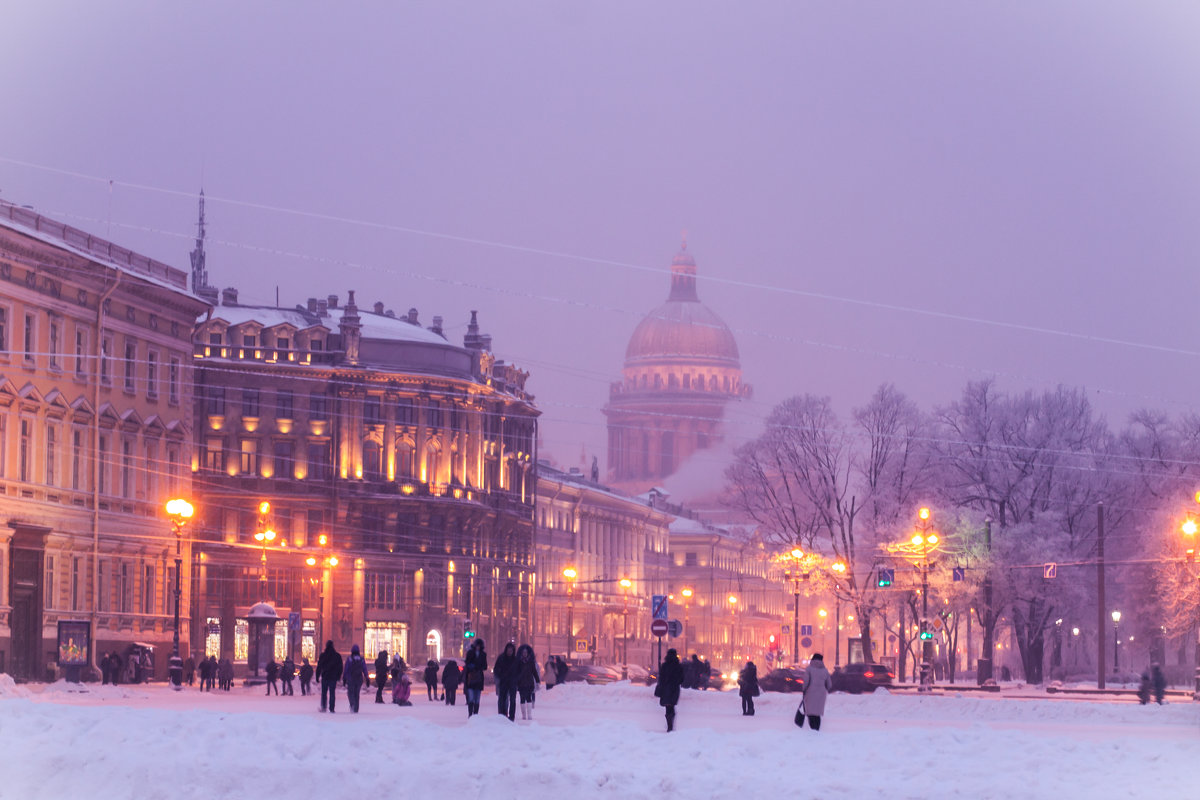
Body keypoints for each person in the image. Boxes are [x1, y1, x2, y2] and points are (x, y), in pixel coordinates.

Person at [801, 653, 833, 731]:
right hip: (821, 694)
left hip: (810, 693)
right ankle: (817, 730)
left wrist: (804, 689)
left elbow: (806, 682)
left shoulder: (809, 669)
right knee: (817, 713)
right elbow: (829, 685)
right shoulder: (825, 670)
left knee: (810, 713)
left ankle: (813, 730)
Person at [655, 648, 684, 732]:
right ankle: (671, 725)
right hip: (674, 688)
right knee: (672, 705)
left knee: (668, 707)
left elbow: (661, 678)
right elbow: (681, 679)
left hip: (666, 688)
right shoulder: (678, 666)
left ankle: (669, 726)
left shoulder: (664, 665)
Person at [493, 642, 518, 720]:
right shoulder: (501, 658)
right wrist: (501, 676)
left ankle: (511, 716)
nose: (510, 652)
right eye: (508, 650)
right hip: (503, 681)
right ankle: (501, 714)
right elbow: (496, 669)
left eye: (511, 650)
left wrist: (516, 678)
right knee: (502, 698)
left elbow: (519, 670)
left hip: (513, 682)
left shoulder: (515, 659)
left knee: (512, 699)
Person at [316, 640, 343, 713]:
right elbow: (340, 667)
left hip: (325, 676)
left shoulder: (323, 655)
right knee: (332, 693)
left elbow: (319, 666)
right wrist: (338, 676)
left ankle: (324, 707)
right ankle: (332, 708)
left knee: (324, 693)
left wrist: (317, 676)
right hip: (333, 677)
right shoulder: (337, 656)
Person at [515, 644, 540, 720]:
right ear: (521, 653)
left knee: (529, 698)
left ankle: (529, 714)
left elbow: (534, 672)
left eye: (526, 652)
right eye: (523, 652)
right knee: (522, 698)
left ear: (528, 653)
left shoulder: (531, 662)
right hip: (521, 683)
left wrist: (538, 680)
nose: (524, 654)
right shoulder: (519, 662)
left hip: (529, 683)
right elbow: (516, 672)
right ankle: (524, 715)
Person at [463, 639, 488, 717]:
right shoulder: (470, 653)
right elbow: (467, 663)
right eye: (477, 646)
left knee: (477, 698)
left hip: (479, 678)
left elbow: (485, 666)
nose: (478, 647)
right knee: (471, 698)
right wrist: (472, 667)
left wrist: (479, 667)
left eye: (479, 646)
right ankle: (470, 714)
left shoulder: (483, 654)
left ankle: (476, 714)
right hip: (471, 678)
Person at [342, 644, 370, 713]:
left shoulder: (350, 659)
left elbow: (346, 669)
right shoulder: (361, 659)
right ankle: (356, 709)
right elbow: (364, 669)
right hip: (359, 678)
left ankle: (352, 704)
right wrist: (367, 677)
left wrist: (344, 678)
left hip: (351, 678)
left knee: (350, 693)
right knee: (357, 694)